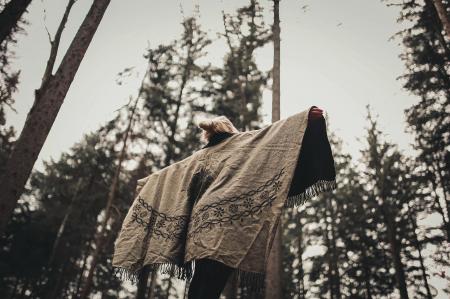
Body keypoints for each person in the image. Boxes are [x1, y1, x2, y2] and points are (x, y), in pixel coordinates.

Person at [186, 106, 324, 299]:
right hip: (225, 220)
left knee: (200, 279)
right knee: (213, 281)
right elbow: (274, 136)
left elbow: (173, 176)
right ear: (230, 130)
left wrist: (147, 184)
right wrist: (305, 119)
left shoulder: (200, 157)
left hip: (200, 223)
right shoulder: (240, 143)